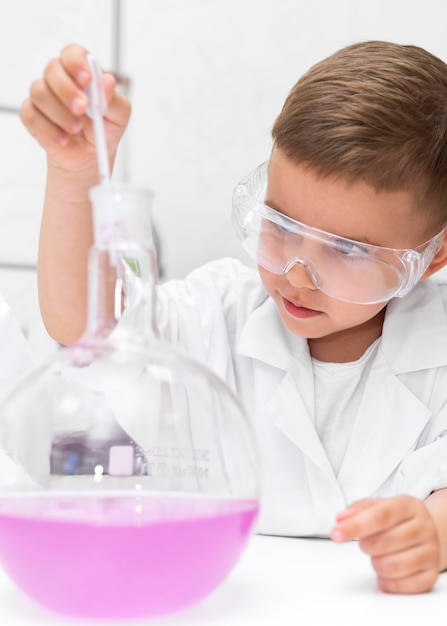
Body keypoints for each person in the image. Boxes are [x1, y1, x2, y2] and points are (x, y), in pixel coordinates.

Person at [21, 40, 447, 594]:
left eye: (348, 250)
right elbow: (87, 326)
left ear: (432, 255)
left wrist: (434, 534)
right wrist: (76, 171)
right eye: (281, 223)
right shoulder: (215, 314)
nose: (296, 275)